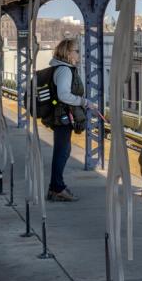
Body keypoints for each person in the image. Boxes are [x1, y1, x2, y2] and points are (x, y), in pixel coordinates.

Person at [47, 38, 97, 202]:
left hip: (62, 115)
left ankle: (56, 186)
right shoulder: (64, 70)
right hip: (62, 117)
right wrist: (84, 102)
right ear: (68, 53)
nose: (79, 53)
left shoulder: (63, 68)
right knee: (62, 152)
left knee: (63, 151)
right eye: (76, 51)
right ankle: (57, 189)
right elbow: (63, 95)